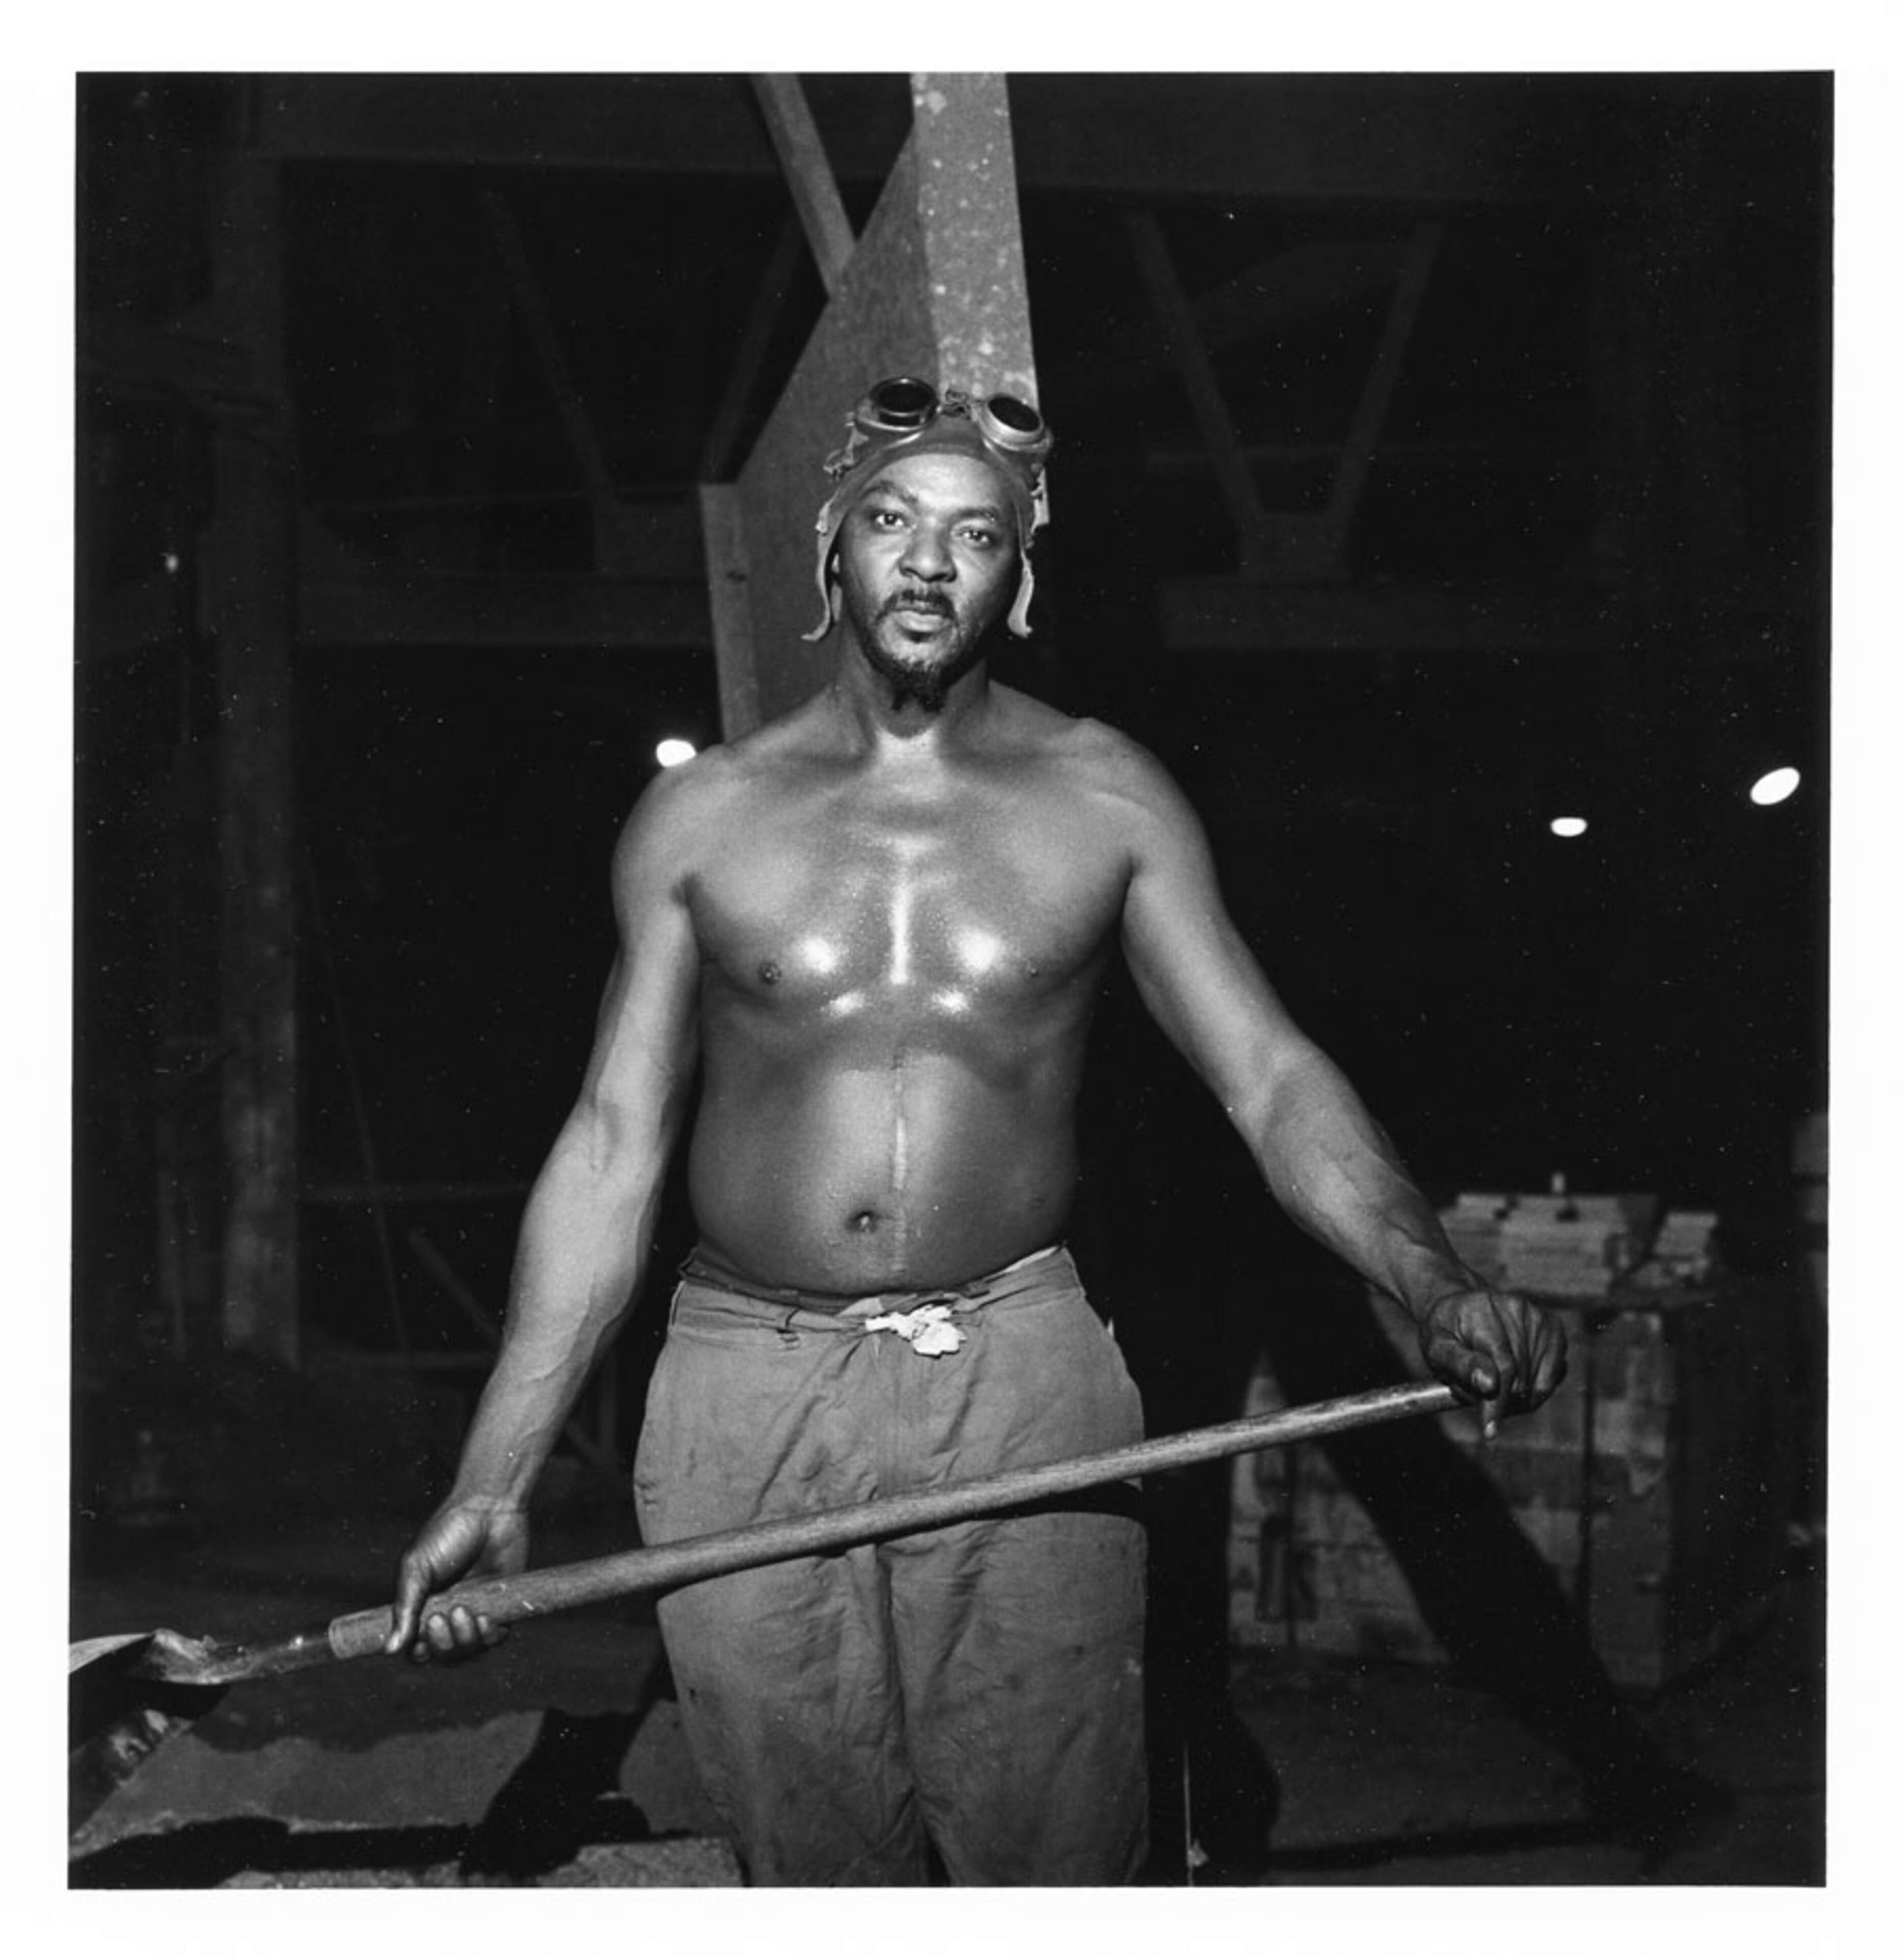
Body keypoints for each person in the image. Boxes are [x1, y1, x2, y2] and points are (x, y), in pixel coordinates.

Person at [385, 376, 1568, 1886]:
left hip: (1018, 1365)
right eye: (892, 521)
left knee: (1057, 1843)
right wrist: (493, 1479)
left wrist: (1431, 1278)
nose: (930, 563)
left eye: (976, 534)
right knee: (812, 1857)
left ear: (1019, 575)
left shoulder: (1106, 797)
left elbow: (1271, 1079)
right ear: (833, 551)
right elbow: (613, 1146)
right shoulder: (706, 817)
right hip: (750, 1379)